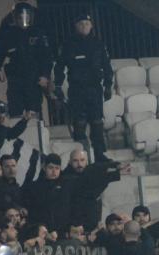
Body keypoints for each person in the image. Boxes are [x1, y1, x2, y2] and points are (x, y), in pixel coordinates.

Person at [53, 13, 113, 161]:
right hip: (77, 90)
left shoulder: (98, 43)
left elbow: (107, 67)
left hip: (95, 89)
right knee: (79, 124)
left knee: (97, 122)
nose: (84, 26)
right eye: (81, 24)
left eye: (87, 23)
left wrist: (108, 85)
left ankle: (99, 155)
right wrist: (58, 86)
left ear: (91, 25)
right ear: (76, 26)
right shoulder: (68, 45)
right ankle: (82, 156)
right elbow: (59, 67)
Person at [0, 2, 52, 117]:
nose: (23, 20)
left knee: (34, 110)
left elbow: (46, 57)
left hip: (34, 78)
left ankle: (37, 133)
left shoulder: (38, 33)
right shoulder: (8, 34)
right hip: (15, 78)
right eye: (20, 17)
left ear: (31, 17)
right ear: (15, 18)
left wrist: (45, 75)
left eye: (26, 17)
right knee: (15, 110)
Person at [60, 149, 129, 231]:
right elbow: (83, 182)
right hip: (76, 224)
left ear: (86, 161)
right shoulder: (66, 177)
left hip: (92, 221)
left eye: (82, 160)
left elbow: (95, 168)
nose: (79, 164)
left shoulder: (89, 171)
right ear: (70, 162)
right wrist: (115, 173)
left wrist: (115, 165)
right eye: (75, 161)